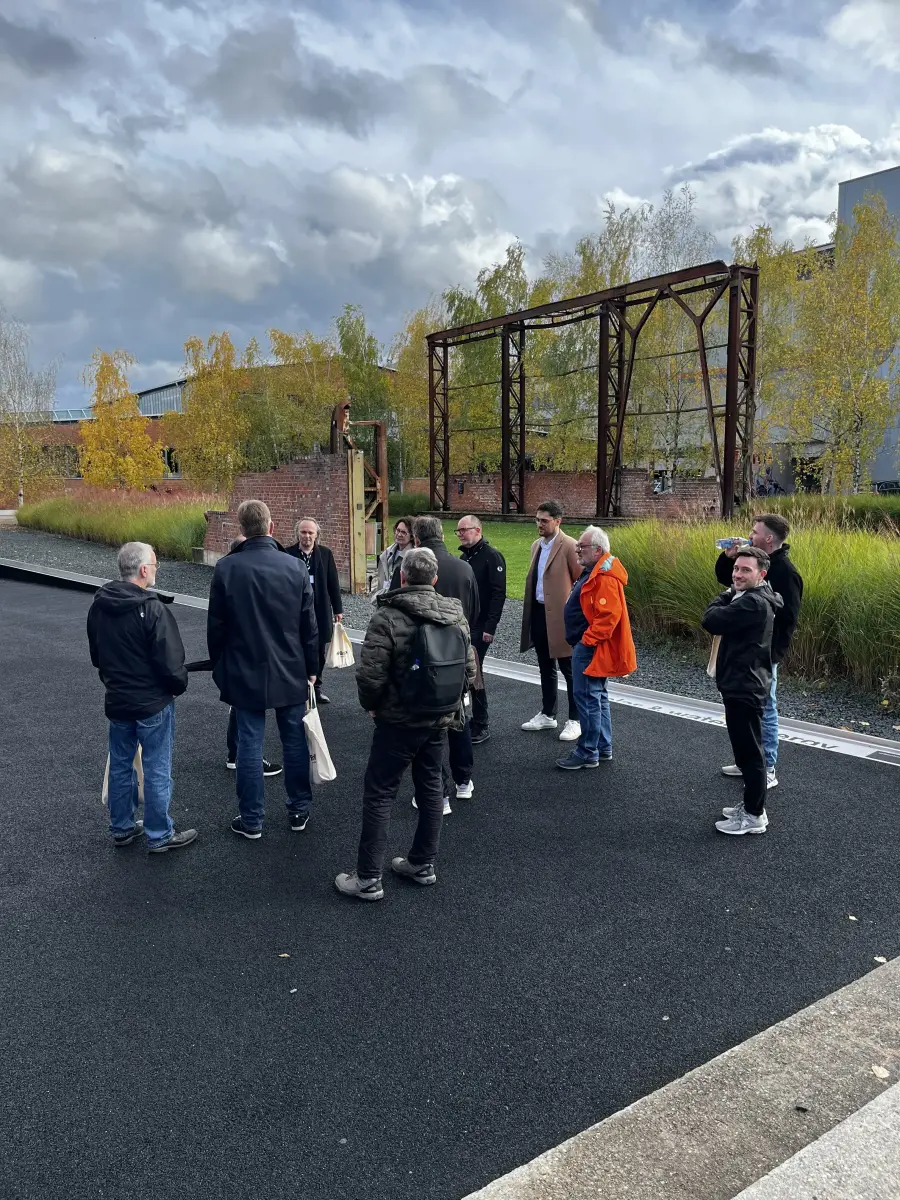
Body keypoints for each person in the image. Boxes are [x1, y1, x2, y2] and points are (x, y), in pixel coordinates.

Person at [335, 547, 477, 900]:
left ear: (401, 577)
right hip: (439, 717)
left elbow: (370, 674)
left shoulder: (388, 615)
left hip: (398, 721)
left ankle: (368, 877)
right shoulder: (455, 614)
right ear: (434, 579)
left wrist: (372, 707)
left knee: (380, 792)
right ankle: (422, 864)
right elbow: (470, 669)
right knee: (431, 788)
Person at [208, 499, 320, 837]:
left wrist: (220, 667)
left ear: (241, 530)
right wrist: (312, 669)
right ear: (271, 527)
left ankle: (252, 819)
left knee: (249, 745)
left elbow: (217, 626)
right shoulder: (296, 567)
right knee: (295, 742)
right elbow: (309, 627)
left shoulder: (227, 568)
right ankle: (299, 810)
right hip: (289, 667)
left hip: (244, 668)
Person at [87, 542, 197, 853]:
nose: (156, 570)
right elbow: (170, 663)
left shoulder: (99, 606)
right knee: (156, 766)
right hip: (152, 702)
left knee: (121, 764)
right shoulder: (152, 608)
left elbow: (97, 655)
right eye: (155, 565)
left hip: (118, 699)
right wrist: (177, 685)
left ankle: (121, 827)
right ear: (144, 570)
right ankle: (159, 833)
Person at [392, 515, 480, 812]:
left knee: (429, 732)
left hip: (421, 661)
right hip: (457, 656)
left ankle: (436, 792)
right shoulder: (464, 568)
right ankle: (464, 781)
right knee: (460, 720)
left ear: (416, 538)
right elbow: (475, 612)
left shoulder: (408, 567)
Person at [714, 513, 802, 788]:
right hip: (746, 649)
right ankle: (749, 763)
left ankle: (769, 767)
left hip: (765, 653)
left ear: (769, 539)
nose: (750, 535)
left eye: (755, 532)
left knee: (766, 708)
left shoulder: (786, 572)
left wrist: (773, 653)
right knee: (749, 710)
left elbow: (788, 619)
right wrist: (729, 557)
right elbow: (724, 580)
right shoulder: (751, 560)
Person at [702, 547, 782, 836]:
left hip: (744, 686)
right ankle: (751, 806)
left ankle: (754, 815)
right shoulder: (752, 597)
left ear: (762, 574)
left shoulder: (752, 603)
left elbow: (711, 620)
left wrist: (723, 596)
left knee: (750, 754)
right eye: (736, 569)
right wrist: (729, 595)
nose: (737, 574)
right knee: (746, 750)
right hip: (742, 682)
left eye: (745, 570)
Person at [556, 526, 637, 770]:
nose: (578, 549)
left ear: (598, 550)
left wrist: (586, 642)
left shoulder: (603, 576)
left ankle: (587, 751)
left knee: (588, 698)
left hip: (591, 648)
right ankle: (602, 747)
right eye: (578, 545)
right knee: (597, 697)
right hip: (591, 646)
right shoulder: (596, 571)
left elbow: (608, 618)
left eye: (582, 546)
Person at [519, 500, 582, 742]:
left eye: (544, 520)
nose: (539, 524)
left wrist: (572, 613)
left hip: (561, 617)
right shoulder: (536, 546)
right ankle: (548, 714)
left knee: (569, 668)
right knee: (545, 665)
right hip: (539, 613)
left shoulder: (569, 546)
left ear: (558, 521)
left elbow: (581, 581)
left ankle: (575, 719)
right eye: (537, 520)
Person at [221, 535, 282, 777]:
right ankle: (246, 758)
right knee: (248, 711)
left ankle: (234, 754)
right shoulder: (241, 576)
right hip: (247, 654)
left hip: (235, 654)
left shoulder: (226, 572)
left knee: (239, 707)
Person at [456, 514, 507, 744]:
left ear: (478, 530)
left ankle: (481, 724)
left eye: (464, 530)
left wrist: (490, 626)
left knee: (474, 673)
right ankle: (463, 718)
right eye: (458, 531)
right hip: (464, 623)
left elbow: (498, 594)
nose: (461, 534)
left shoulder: (491, 556)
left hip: (481, 625)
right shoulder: (464, 558)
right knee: (463, 672)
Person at [286, 518, 343, 705]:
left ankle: (316, 687)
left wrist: (338, 609)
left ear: (317, 534)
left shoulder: (325, 554)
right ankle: (297, 686)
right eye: (303, 532)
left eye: (310, 533)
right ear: (297, 534)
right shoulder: (287, 554)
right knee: (296, 647)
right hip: (295, 610)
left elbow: (333, 583)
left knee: (318, 650)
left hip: (319, 610)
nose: (307, 536)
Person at [374, 518, 413, 596]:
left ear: (412, 536)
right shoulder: (386, 554)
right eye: (398, 530)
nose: (399, 534)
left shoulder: (412, 557)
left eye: (403, 532)